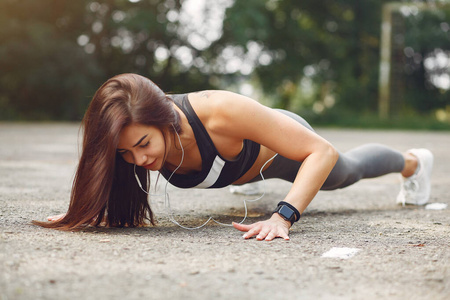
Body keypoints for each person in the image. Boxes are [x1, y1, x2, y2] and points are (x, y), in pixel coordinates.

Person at [33, 73, 434, 241]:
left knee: (344, 171)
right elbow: (106, 176)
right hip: (236, 172)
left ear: (164, 119)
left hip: (274, 149)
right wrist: (81, 212)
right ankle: (247, 185)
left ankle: (413, 162)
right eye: (125, 152)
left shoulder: (221, 112)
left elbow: (320, 152)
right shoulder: (130, 145)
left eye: (143, 145)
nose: (137, 159)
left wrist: (283, 217)